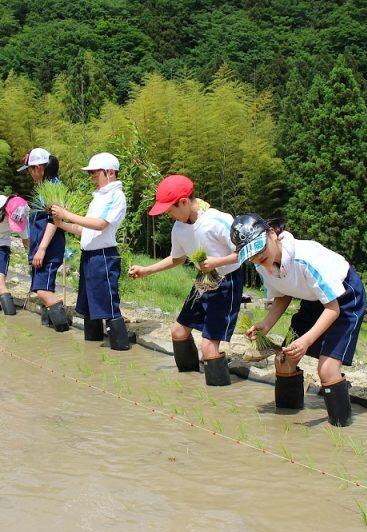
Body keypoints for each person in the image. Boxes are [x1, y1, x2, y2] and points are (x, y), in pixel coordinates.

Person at [231, 214, 366, 427]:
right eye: (252, 257)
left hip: (344, 299)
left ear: (272, 234)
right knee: (284, 361)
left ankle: (341, 427)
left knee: (327, 369)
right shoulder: (262, 266)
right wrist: (265, 324)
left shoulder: (305, 258)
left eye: (260, 250)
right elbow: (282, 295)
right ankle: (285, 426)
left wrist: (306, 341)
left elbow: (333, 309)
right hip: (312, 300)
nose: (258, 259)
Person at [130, 175, 243, 387]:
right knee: (178, 332)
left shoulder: (217, 221)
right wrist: (146, 270)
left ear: (183, 202)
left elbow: (247, 251)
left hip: (227, 281)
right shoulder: (179, 228)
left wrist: (218, 261)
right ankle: (188, 385)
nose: (168, 215)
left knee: (209, 349)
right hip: (204, 280)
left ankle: (217, 398)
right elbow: (177, 258)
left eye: (169, 210)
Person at [51, 152, 131, 351]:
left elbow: (100, 225)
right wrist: (62, 224)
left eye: (95, 173)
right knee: (88, 306)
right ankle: (92, 350)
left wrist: (67, 214)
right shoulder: (99, 197)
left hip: (103, 256)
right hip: (89, 256)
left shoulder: (115, 195)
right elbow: (84, 228)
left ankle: (120, 348)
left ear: (110, 172)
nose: (92, 177)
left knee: (108, 305)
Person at [19, 148, 70, 331]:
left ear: (39, 168)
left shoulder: (53, 187)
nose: (29, 174)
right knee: (41, 288)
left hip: (49, 247)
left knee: (42, 290)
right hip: (40, 246)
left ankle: (64, 329)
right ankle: (50, 329)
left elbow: (53, 221)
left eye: (30, 170)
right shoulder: (44, 186)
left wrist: (41, 248)